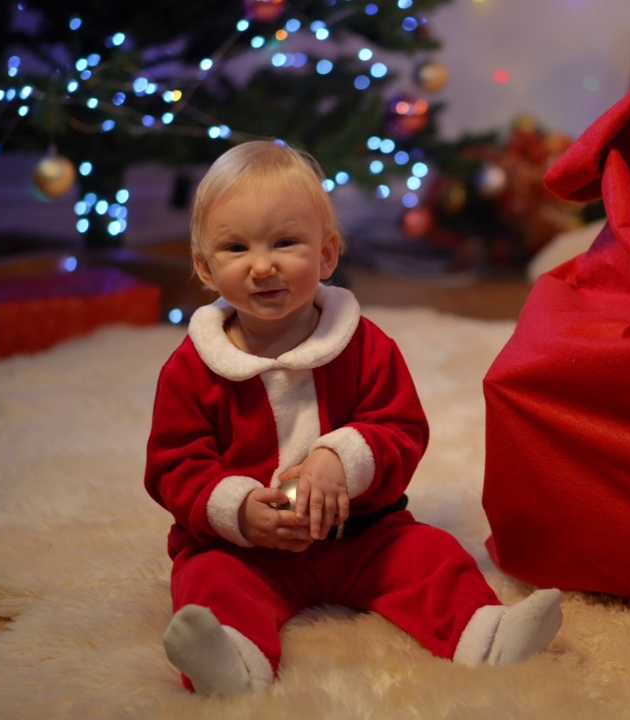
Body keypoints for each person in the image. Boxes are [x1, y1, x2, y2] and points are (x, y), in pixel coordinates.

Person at [144, 139, 562, 696]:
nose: (263, 264)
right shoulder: (192, 369)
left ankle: (485, 634)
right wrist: (238, 508)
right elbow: (175, 465)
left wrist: (338, 459)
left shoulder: (365, 346)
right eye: (236, 247)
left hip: (361, 533)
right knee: (206, 578)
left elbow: (402, 428)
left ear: (327, 255)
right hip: (248, 547)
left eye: (286, 242)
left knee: (430, 555)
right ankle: (231, 659)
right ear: (204, 266)